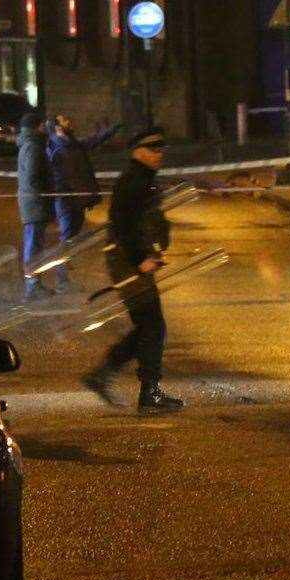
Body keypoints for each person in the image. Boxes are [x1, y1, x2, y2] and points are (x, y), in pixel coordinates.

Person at [84, 126, 183, 411]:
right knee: (153, 325)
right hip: (127, 263)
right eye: (153, 150)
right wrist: (141, 258)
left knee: (148, 326)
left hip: (134, 261)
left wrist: (158, 247)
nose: (158, 155)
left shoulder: (144, 179)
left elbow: (150, 220)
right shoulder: (132, 181)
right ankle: (148, 393)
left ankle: (103, 375)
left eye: (160, 150)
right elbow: (124, 225)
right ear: (137, 151)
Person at [46, 114, 121, 292]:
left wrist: (108, 132)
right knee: (66, 238)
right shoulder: (56, 148)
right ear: (57, 127)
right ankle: (62, 279)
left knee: (72, 237)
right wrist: (70, 193)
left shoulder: (72, 143)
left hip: (78, 198)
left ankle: (65, 270)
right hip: (66, 199)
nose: (69, 122)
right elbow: (60, 176)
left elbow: (92, 141)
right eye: (65, 120)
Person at [16, 111, 56, 300]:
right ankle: (33, 285)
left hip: (34, 203)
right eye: (42, 124)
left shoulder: (31, 145)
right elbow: (33, 177)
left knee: (36, 245)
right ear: (36, 127)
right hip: (34, 204)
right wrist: (46, 189)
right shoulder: (33, 147)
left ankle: (35, 283)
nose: (45, 127)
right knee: (33, 246)